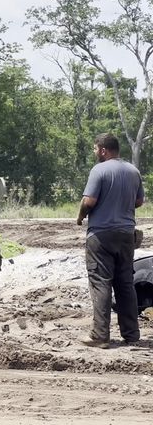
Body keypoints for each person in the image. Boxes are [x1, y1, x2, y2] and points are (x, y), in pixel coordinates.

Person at [76, 133, 144, 348]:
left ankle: (100, 335)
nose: (95, 152)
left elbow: (89, 201)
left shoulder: (99, 170)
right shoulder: (133, 171)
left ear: (104, 150)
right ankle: (131, 335)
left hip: (101, 235)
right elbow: (139, 201)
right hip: (126, 235)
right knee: (125, 284)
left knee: (100, 282)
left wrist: (80, 216)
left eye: (96, 149)